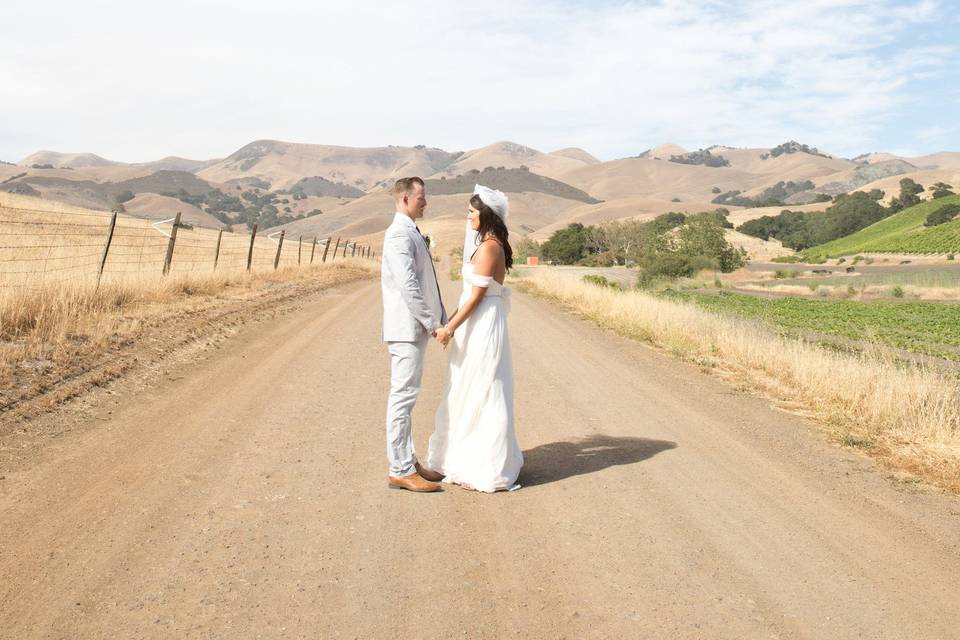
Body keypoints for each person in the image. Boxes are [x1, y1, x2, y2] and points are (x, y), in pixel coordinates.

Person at [424, 185, 523, 492]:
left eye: (471, 212)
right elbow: (471, 295)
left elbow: (477, 296)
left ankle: (486, 465)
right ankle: (461, 455)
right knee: (466, 386)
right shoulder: (488, 244)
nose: (468, 217)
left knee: (483, 387)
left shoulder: (491, 246)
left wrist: (450, 327)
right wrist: (450, 321)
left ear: (486, 215)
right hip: (477, 321)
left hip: (482, 323)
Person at [380, 176, 447, 492]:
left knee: (408, 396)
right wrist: (433, 323)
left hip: (412, 328)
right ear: (404, 199)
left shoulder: (410, 231)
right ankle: (400, 468)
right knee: (403, 397)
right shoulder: (398, 236)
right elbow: (408, 285)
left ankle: (408, 460)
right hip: (406, 329)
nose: (425, 201)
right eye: (421, 197)